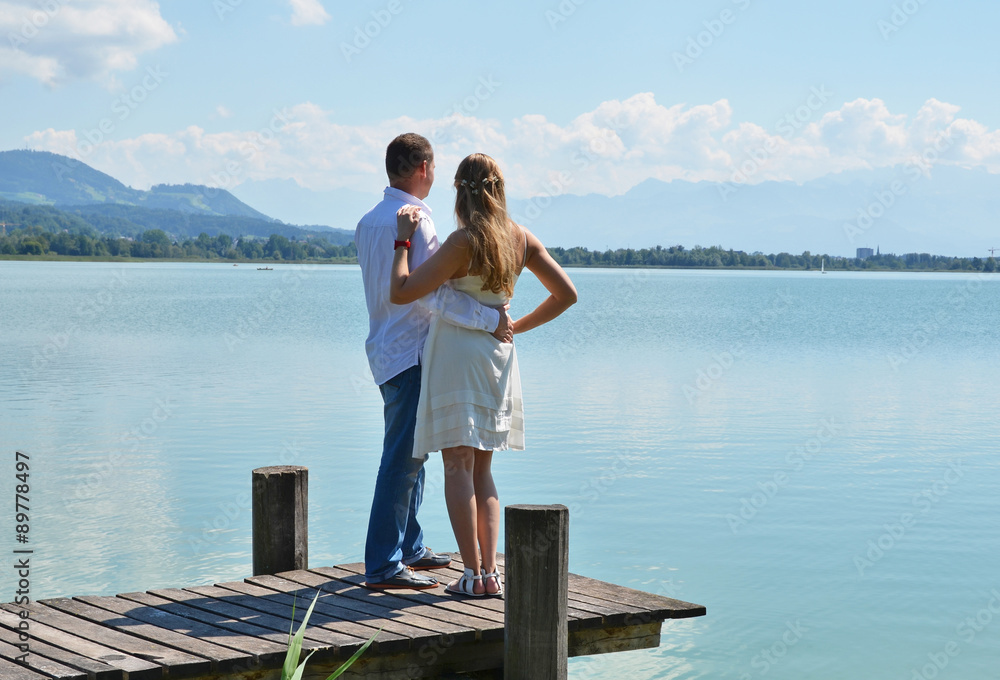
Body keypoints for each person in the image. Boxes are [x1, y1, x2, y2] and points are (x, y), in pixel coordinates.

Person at [389, 152, 578, 596]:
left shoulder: (462, 242)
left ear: (460, 191)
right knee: (483, 471)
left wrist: (402, 241)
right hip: (498, 357)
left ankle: (472, 577)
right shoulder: (520, 238)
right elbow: (566, 294)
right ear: (500, 189)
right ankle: (490, 575)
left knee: (456, 465)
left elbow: (401, 292)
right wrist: (513, 326)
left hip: (457, 354)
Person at [356, 134, 514, 590]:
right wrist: (489, 318)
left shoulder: (369, 221)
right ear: (423, 168)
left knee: (416, 451)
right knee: (404, 458)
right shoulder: (417, 222)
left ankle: (409, 546)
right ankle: (384, 565)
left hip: (383, 347)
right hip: (415, 348)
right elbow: (436, 295)